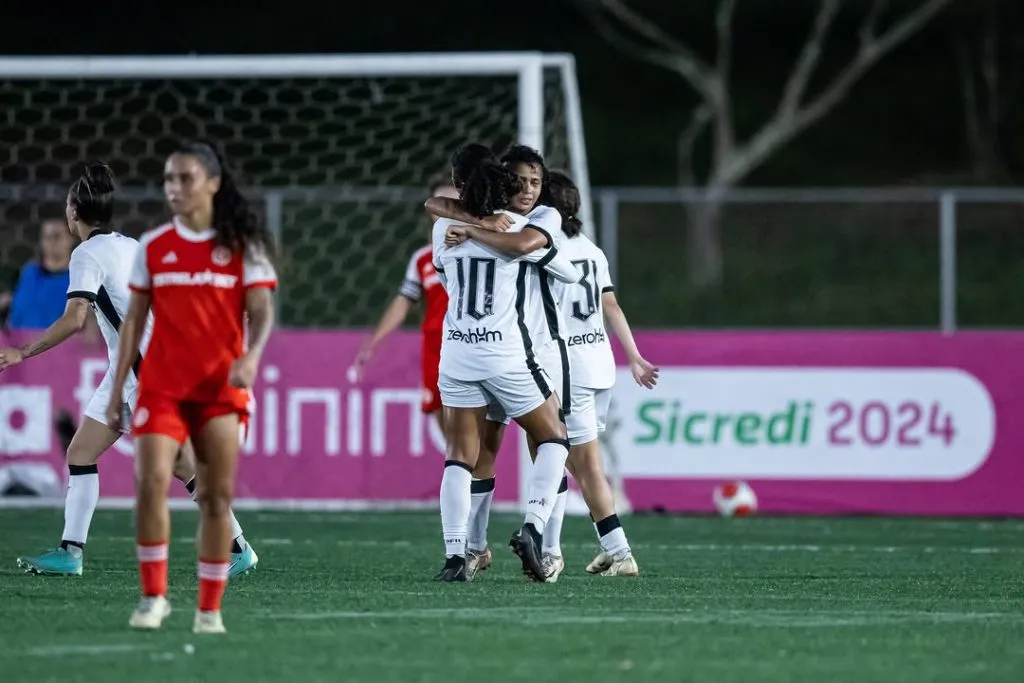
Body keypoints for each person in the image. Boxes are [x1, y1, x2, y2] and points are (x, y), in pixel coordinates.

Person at [0, 163, 258, 580]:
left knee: (182, 465)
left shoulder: (86, 254)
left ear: (73, 212)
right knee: (80, 453)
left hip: (145, 373)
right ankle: (70, 552)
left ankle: (238, 546)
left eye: (67, 206)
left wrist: (22, 352)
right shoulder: (131, 246)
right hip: (129, 370)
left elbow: (74, 318)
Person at [105, 142, 276, 634]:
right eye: (168, 179)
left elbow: (261, 311)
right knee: (150, 483)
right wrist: (117, 390)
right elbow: (134, 322)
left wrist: (251, 356)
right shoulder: (153, 246)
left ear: (213, 184)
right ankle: (153, 598)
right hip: (161, 387)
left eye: (186, 178)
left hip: (220, 390)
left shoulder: (243, 247)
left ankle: (208, 609)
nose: (174, 188)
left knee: (216, 498)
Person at [432, 143, 579, 582]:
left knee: (460, 456)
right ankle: (534, 527)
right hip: (506, 354)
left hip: (457, 352)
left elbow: (443, 262)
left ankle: (457, 556)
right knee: (554, 437)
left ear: (458, 182)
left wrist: (470, 227)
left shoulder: (443, 229)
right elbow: (565, 270)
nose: (528, 189)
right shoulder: (516, 227)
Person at [545, 170, 657, 577]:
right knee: (576, 462)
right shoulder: (591, 250)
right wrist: (634, 356)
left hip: (569, 368)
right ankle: (611, 545)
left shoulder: (543, 248)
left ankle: (613, 553)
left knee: (570, 461)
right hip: (599, 365)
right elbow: (612, 306)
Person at [353, 182, 510, 433]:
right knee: (447, 425)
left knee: (482, 427)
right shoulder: (422, 258)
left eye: (455, 203)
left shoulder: (486, 248)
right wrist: (374, 343)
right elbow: (404, 300)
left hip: (477, 342)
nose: (449, 210)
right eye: (442, 203)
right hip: (436, 346)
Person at [1, 218, 75, 330]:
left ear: (70, 239)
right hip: (18, 338)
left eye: (57, 236)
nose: (51, 241)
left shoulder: (77, 278)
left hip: (56, 340)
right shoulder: (29, 271)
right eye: (47, 237)